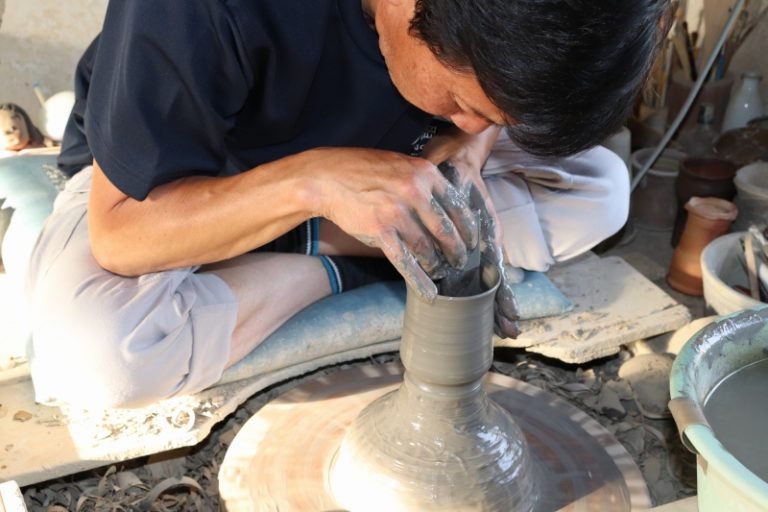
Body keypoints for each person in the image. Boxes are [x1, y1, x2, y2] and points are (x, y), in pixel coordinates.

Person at [26, 0, 670, 408]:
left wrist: (466, 151)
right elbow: (120, 234)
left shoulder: (488, 44)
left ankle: (353, 248)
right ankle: (348, 254)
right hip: (196, 178)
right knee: (99, 354)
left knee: (604, 190)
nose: (476, 123)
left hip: (383, 154)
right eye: (464, 102)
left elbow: (495, 100)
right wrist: (314, 184)